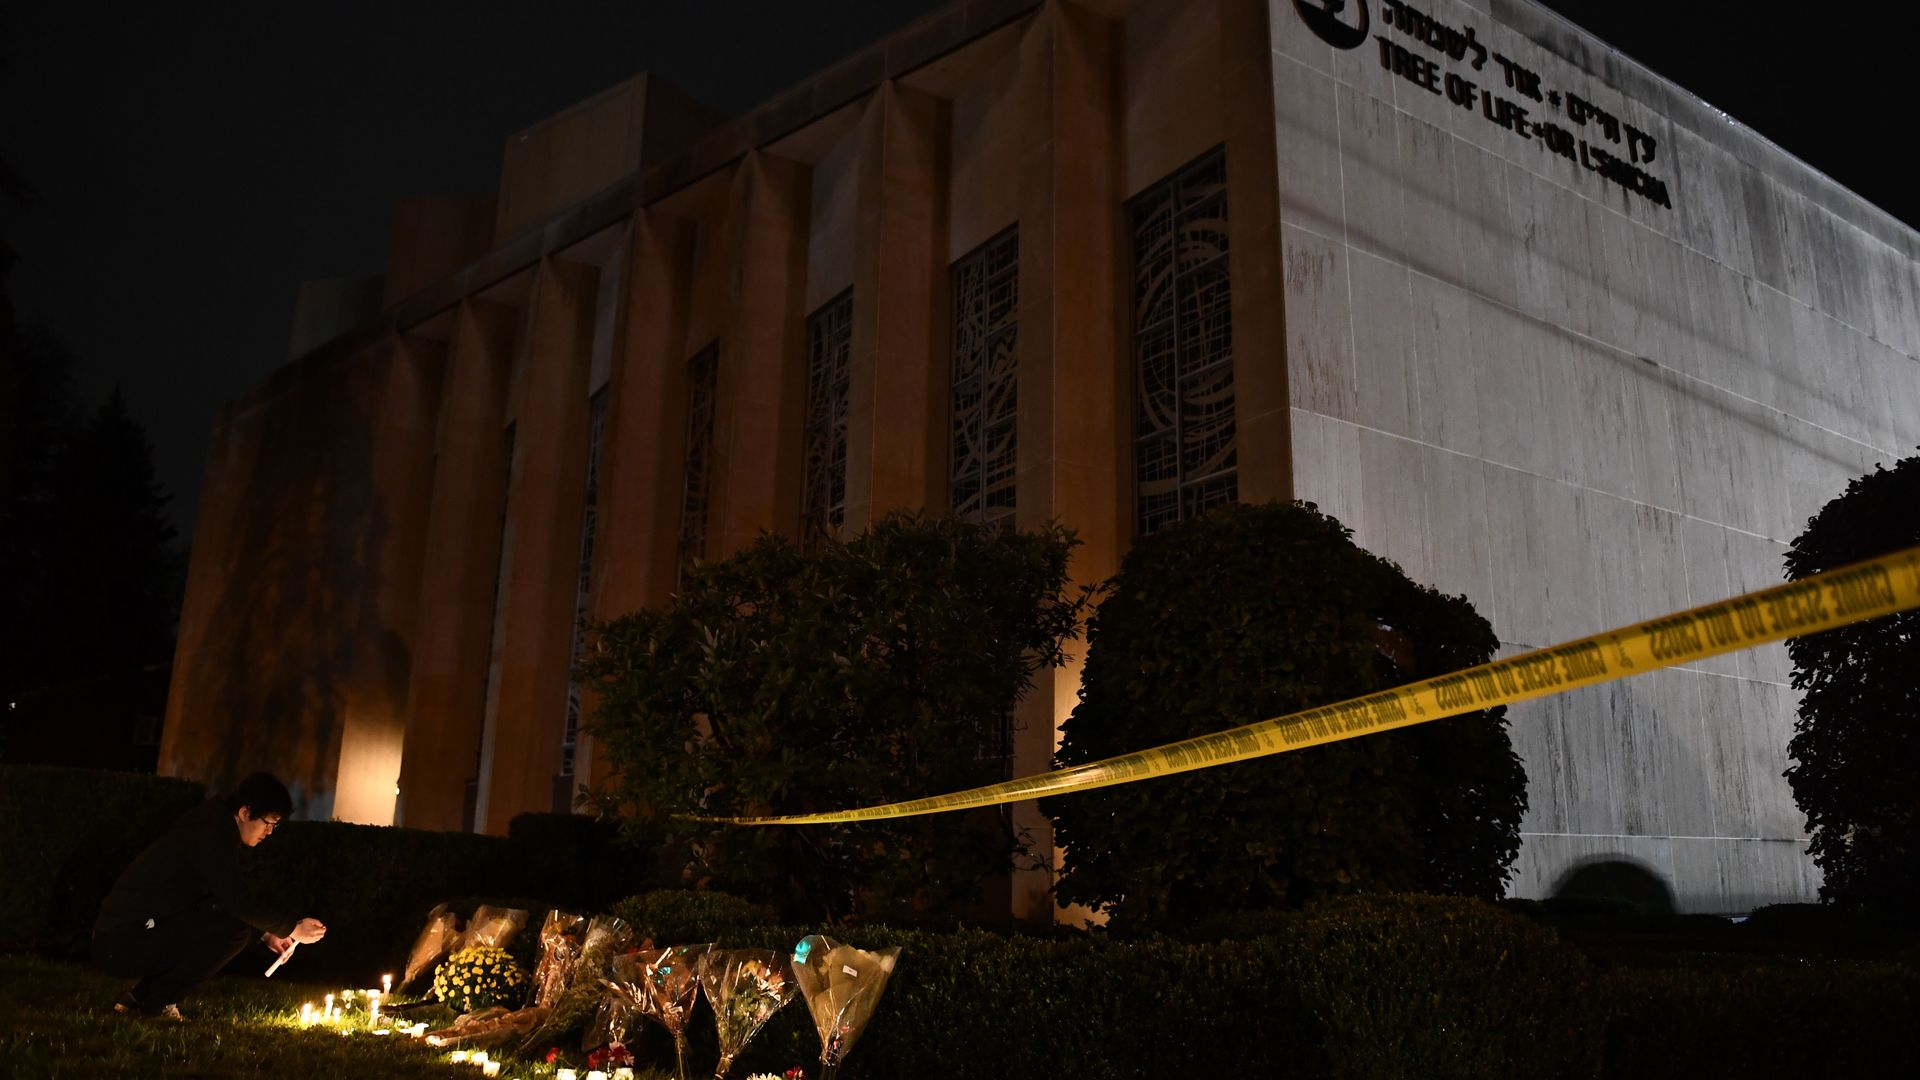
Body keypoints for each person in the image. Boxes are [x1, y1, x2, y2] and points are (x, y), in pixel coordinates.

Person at [91, 772, 328, 1020]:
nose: (269, 832)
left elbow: (218, 901)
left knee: (230, 927)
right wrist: (290, 928)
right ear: (246, 812)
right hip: (119, 944)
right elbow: (238, 901)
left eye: (275, 826)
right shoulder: (211, 836)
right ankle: (158, 1002)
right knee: (233, 933)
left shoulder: (212, 829)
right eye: (267, 822)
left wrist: (266, 932)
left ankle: (140, 998)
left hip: (121, 938)